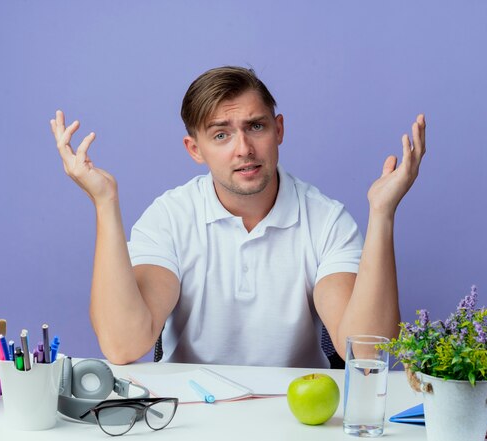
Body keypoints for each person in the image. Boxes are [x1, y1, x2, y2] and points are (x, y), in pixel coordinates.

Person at [50, 66, 426, 368]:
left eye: (256, 127)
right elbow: (122, 345)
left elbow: (366, 352)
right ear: (195, 149)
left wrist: (382, 214)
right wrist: (105, 201)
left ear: (278, 130)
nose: (243, 149)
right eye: (221, 135)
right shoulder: (170, 216)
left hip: (297, 414)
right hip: (191, 413)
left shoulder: (326, 219)